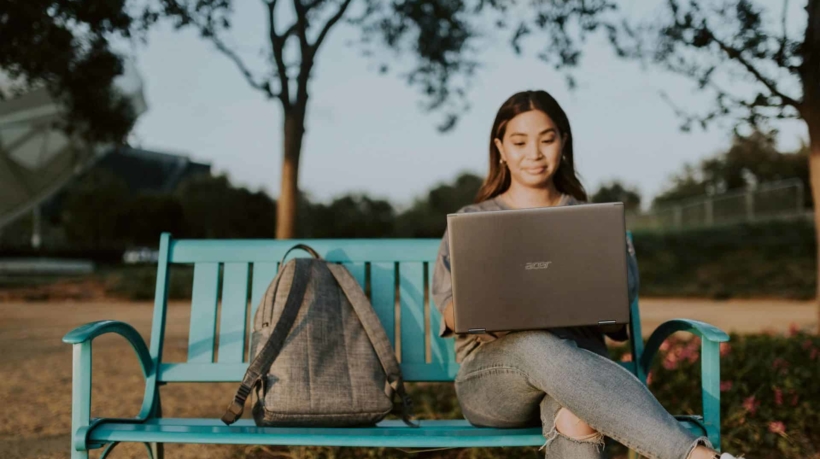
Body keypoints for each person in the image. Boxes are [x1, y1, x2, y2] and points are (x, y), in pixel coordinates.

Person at [431, 90, 742, 459]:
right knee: (534, 344)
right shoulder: (471, 223)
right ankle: (695, 456)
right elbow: (451, 313)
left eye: (547, 140)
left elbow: (616, 324)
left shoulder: (595, 224)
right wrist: (497, 311)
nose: (534, 153)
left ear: (563, 142)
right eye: (519, 142)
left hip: (582, 383)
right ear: (500, 148)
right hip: (495, 384)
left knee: (577, 418)